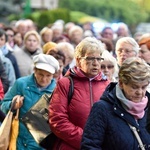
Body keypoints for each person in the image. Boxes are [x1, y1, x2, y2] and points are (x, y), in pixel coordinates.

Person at [49, 37, 110, 150]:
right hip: (70, 146)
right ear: (78, 60)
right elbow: (57, 120)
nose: (96, 63)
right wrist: (86, 140)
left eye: (98, 58)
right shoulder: (66, 83)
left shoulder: (108, 85)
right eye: (90, 59)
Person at [81, 57, 150, 150]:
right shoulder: (102, 109)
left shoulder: (148, 108)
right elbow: (89, 146)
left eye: (144, 87)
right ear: (121, 83)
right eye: (134, 87)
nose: (140, 92)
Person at [1, 53, 59, 150]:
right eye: (40, 74)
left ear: (53, 75)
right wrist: (12, 105)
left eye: (48, 75)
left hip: (42, 145)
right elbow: (2, 105)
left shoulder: (58, 91)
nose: (44, 79)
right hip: (18, 141)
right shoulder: (21, 84)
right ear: (34, 70)